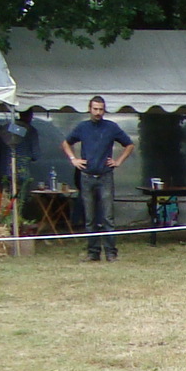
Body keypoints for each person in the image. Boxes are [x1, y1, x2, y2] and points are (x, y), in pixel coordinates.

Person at [64, 95, 134, 261]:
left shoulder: (111, 127)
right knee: (90, 218)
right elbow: (66, 143)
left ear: (104, 110)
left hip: (105, 177)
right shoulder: (82, 127)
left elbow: (129, 145)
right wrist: (73, 159)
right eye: (95, 109)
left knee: (108, 217)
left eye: (101, 109)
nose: (98, 112)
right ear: (89, 109)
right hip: (87, 177)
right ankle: (93, 253)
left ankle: (111, 253)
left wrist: (118, 161)